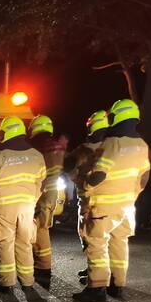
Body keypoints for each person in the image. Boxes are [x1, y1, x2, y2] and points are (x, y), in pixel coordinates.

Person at [73, 99, 150, 302]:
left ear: (119, 117)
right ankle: (117, 284)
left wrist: (86, 185)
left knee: (96, 243)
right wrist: (132, 194)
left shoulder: (112, 143)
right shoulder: (141, 144)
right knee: (119, 243)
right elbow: (144, 177)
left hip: (103, 205)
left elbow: (99, 174)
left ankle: (97, 287)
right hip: (126, 206)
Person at [0, 116, 45, 293]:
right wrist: (32, 201)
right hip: (27, 208)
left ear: (8, 132)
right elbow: (41, 184)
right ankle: (28, 282)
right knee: (24, 244)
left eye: (0, 133)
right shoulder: (37, 155)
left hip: (3, 210)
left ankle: (7, 284)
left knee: (4, 245)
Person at [65, 110, 109, 283]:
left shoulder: (85, 149)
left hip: (89, 199)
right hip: (109, 199)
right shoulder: (111, 147)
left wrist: (76, 179)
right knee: (104, 238)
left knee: (89, 236)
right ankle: (96, 269)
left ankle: (96, 275)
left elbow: (67, 164)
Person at [27, 115, 64, 284]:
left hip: (42, 192)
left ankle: (43, 267)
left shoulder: (39, 146)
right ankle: (42, 265)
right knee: (42, 226)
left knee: (40, 228)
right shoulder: (54, 145)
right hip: (51, 191)